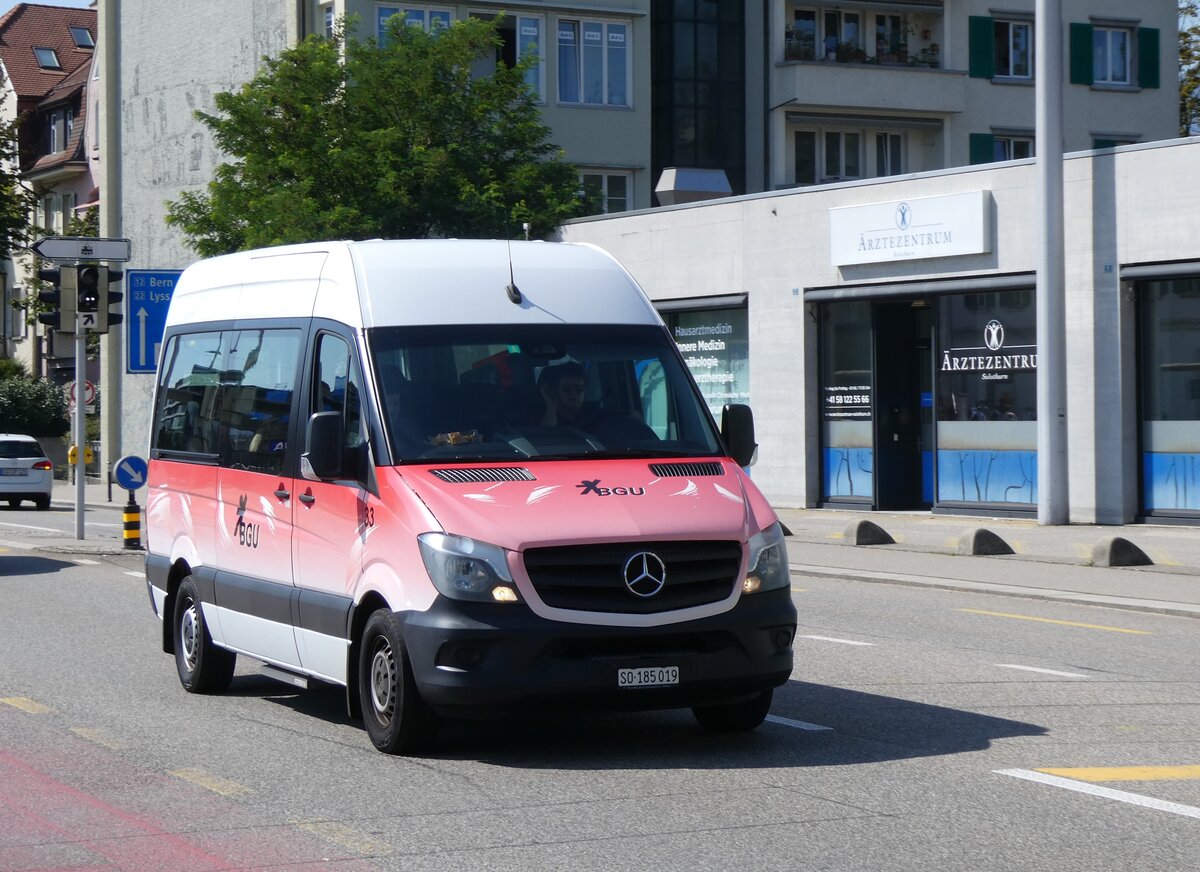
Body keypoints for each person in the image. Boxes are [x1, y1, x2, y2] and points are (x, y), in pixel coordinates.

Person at [536, 361, 595, 426]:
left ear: (585, 390)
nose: (573, 393)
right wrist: (551, 406)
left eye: (579, 388)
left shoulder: (595, 415)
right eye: (567, 388)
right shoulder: (542, 415)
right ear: (556, 390)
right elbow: (545, 435)